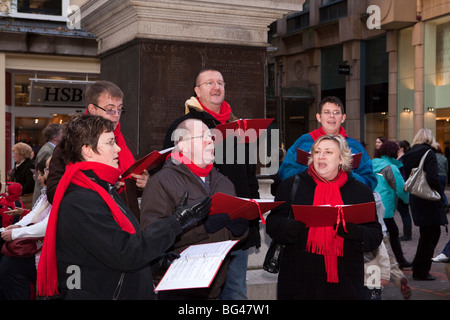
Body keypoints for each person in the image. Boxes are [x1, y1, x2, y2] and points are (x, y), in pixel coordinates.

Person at [36, 114, 211, 299]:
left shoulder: (101, 190)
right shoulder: (80, 200)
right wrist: (176, 222)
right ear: (88, 150)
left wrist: (155, 263)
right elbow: (126, 253)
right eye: (110, 142)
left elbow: (110, 252)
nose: (118, 148)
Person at [163, 68, 260, 300]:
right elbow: (171, 171)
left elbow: (249, 174)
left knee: (235, 294)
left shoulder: (240, 126)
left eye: (220, 83)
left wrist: (253, 210)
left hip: (238, 228)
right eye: (209, 83)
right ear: (197, 91)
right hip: (203, 230)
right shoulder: (184, 125)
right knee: (202, 296)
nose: (216, 87)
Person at [141, 118, 248, 300]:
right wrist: (202, 229)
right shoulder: (161, 182)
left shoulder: (225, 183)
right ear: (182, 145)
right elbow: (152, 237)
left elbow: (233, 236)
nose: (210, 141)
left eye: (211, 137)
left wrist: (239, 231)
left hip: (215, 287)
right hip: (178, 287)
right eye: (202, 137)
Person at [266, 134, 382, 299]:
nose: (321, 156)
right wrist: (288, 227)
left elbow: (375, 235)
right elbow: (273, 224)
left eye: (328, 152)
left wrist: (354, 231)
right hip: (298, 282)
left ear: (341, 159)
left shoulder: (360, 191)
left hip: (345, 284)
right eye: (317, 151)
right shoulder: (291, 186)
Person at [46, 80, 148, 221]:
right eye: (110, 109)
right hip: (93, 223)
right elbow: (53, 193)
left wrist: (143, 184)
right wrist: (101, 185)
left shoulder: (127, 144)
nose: (116, 115)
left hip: (128, 224)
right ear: (92, 109)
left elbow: (130, 192)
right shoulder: (69, 144)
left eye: (120, 109)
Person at [279, 96, 377, 190]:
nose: (331, 116)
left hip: (344, 201)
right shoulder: (304, 142)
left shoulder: (355, 146)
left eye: (336, 112)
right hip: (309, 200)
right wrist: (312, 173)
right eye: (326, 112)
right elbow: (285, 172)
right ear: (318, 117)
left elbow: (370, 180)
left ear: (343, 118)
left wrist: (346, 175)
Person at [0, 157, 52, 300]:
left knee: (10, 267)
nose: (38, 177)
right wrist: (17, 226)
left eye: (43, 172)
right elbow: (35, 215)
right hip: (38, 247)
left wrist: (17, 232)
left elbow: (47, 225)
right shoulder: (48, 193)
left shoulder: (56, 193)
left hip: (47, 254)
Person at [401, 128, 448, 280]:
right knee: (430, 236)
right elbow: (433, 178)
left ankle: (418, 265)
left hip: (416, 197)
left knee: (427, 234)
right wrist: (440, 194)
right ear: (430, 139)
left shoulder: (409, 154)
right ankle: (421, 271)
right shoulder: (429, 153)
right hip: (428, 198)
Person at [372, 140, 411, 270]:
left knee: (381, 232)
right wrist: (407, 200)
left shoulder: (372, 163)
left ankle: (395, 260)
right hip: (386, 205)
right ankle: (399, 260)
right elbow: (400, 188)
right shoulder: (391, 167)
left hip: (372, 202)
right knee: (392, 232)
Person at [32, 123, 63, 206]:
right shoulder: (47, 151)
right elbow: (42, 173)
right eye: (61, 133)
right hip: (44, 194)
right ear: (55, 136)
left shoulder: (50, 149)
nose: (63, 136)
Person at [9, 142, 35, 208]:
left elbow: (30, 184)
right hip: (17, 198)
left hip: (25, 199)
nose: (13, 156)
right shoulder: (17, 165)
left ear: (22, 155)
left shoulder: (29, 166)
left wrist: (18, 191)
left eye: (15, 153)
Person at [397, 140, 413, 241]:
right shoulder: (398, 158)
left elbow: (404, 174)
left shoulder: (403, 159)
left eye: (397, 146)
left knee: (404, 211)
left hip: (402, 187)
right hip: (398, 187)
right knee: (402, 210)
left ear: (402, 148)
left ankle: (407, 233)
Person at [434, 143, 449, 210]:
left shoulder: (433, 157)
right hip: (443, 176)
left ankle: (444, 203)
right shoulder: (444, 158)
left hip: (436, 176)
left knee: (437, 191)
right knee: (442, 191)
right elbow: (447, 169)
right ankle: (444, 203)